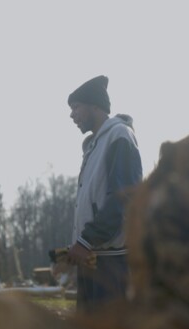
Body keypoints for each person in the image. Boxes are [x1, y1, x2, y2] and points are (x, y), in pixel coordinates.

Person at [65, 75, 143, 313]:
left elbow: (123, 198)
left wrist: (87, 239)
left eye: (76, 107)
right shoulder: (94, 145)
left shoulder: (119, 136)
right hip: (92, 258)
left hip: (111, 263)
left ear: (95, 106)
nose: (72, 115)